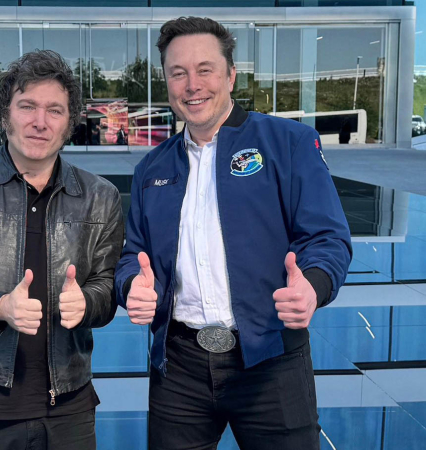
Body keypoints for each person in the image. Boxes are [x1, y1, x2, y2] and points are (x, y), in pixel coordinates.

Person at [114, 17, 352, 450]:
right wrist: (131, 285)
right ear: (167, 81)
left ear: (230, 75)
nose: (192, 85)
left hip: (270, 359)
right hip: (179, 367)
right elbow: (134, 253)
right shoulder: (152, 167)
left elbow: (327, 238)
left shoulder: (289, 143)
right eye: (178, 73)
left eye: (205, 69)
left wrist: (313, 287)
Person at [0, 50, 124, 450]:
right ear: (4, 114)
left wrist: (89, 302)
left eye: (55, 110)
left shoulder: (101, 196)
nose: (40, 121)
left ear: (69, 122)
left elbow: (107, 284)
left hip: (69, 408)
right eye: (27, 106)